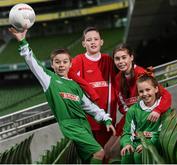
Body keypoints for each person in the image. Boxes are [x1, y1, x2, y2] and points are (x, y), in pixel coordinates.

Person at [9, 27, 116, 164]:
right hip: (70, 126)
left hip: (84, 125)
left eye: (65, 62)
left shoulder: (75, 86)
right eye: (57, 62)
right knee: (99, 153)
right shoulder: (49, 80)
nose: (61, 65)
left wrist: (105, 119)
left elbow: (89, 107)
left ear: (70, 64)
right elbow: (32, 63)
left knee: (90, 158)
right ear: (52, 65)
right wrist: (23, 42)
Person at [104, 43, 172, 161]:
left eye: (124, 57)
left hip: (143, 120)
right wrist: (130, 113)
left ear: (131, 57)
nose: (121, 61)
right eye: (117, 58)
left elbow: (166, 95)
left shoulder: (142, 74)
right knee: (107, 149)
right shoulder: (117, 78)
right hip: (129, 117)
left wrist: (158, 110)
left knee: (115, 151)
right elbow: (122, 105)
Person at [68, 26, 117, 147]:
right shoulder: (78, 60)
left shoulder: (108, 60)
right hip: (88, 122)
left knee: (108, 156)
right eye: (89, 40)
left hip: (109, 119)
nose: (93, 42)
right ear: (84, 43)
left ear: (101, 42)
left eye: (96, 39)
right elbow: (66, 75)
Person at [120, 74, 172, 164]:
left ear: (156, 89)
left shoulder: (163, 109)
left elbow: (163, 134)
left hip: (155, 143)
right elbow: (126, 133)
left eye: (148, 90)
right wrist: (126, 144)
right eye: (141, 91)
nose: (145, 94)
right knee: (127, 154)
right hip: (136, 142)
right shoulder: (133, 110)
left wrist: (148, 144)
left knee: (139, 155)